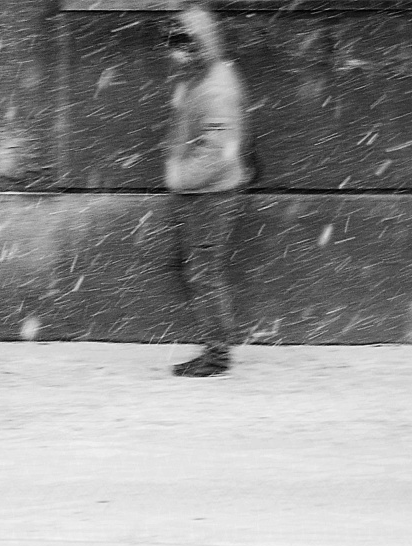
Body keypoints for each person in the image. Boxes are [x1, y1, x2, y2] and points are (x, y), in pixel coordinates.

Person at [163, 2, 252, 377]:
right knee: (200, 271)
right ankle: (215, 348)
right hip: (205, 195)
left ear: (201, 43)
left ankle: (216, 355)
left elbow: (219, 152)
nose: (176, 54)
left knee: (204, 273)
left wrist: (180, 177)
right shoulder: (205, 78)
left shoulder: (215, 88)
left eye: (184, 45)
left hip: (210, 197)